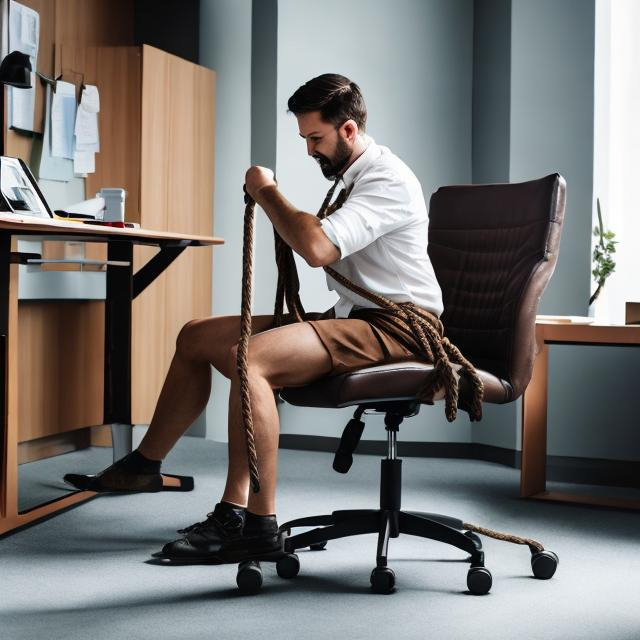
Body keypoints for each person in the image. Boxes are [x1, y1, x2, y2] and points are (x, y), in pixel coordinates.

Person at [64, 73, 445, 565]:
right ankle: (145, 464)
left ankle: (251, 520)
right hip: (355, 319)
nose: (310, 151)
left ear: (348, 130)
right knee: (197, 337)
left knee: (250, 358)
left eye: (316, 139)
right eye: (305, 139)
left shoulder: (386, 179)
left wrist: (265, 191)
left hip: (399, 328)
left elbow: (315, 247)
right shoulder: (351, 179)